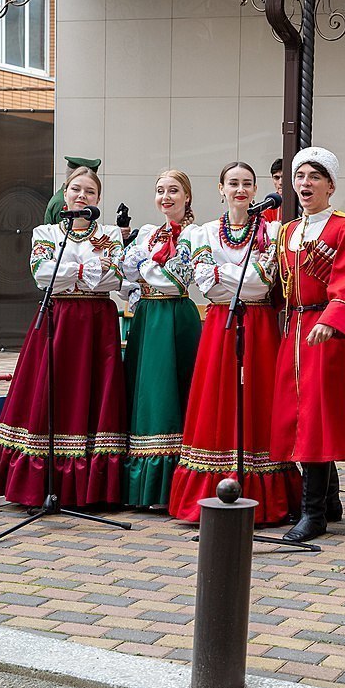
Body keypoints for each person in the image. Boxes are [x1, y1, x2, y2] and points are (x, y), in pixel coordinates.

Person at [0, 166, 126, 506]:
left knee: (92, 391)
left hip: (97, 323)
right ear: (65, 195)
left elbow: (113, 278)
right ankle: (43, 481)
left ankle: (90, 485)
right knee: (48, 390)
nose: (81, 196)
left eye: (89, 191)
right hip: (57, 319)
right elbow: (43, 274)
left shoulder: (112, 234)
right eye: (75, 190)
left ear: (98, 199)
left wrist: (74, 271)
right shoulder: (46, 232)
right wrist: (88, 271)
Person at [166, 162, 301, 524]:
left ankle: (264, 493)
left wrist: (223, 272)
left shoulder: (272, 231)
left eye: (247, 184)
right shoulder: (203, 233)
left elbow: (264, 280)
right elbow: (204, 283)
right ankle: (214, 488)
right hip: (220, 325)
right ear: (220, 188)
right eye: (233, 183)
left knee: (259, 398)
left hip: (259, 325)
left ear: (256, 191)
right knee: (217, 397)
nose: (240, 189)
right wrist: (239, 275)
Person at [272, 147, 345, 542]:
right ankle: (329, 500)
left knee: (315, 418)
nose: (305, 184)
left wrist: (332, 321)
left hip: (325, 328)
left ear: (331, 185)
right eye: (300, 177)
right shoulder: (287, 232)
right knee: (296, 416)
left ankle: (313, 513)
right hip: (295, 326)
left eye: (315, 177)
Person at [119, 170, 203, 510]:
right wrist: (140, 267)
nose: (166, 196)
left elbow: (175, 277)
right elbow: (124, 272)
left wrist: (141, 267)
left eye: (173, 190)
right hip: (147, 318)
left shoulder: (196, 233)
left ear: (187, 196)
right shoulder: (148, 233)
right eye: (160, 191)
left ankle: (172, 484)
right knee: (146, 395)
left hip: (174, 318)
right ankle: (144, 486)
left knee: (171, 392)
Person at [43, 156, 100, 225]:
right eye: (75, 189)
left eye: (90, 192)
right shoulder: (62, 202)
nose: (82, 195)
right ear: (65, 194)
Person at [263, 158, 284, 226]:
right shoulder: (270, 205)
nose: (280, 182)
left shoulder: (303, 202)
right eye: (276, 178)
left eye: (284, 177)